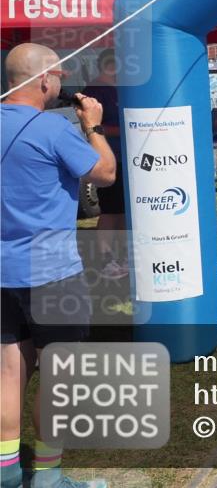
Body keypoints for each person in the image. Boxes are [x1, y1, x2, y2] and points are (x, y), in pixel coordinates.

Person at [2, 43, 116, 488]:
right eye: (61, 75)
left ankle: (8, 472)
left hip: (4, 273)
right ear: (45, 80)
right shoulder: (52, 128)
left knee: (9, 373)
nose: (63, 83)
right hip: (52, 274)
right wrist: (94, 127)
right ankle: (48, 477)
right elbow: (104, 173)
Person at [80, 48, 128, 280]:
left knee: (124, 210)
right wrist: (125, 130)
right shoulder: (94, 92)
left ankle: (122, 256)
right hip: (108, 158)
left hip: (125, 159)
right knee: (110, 211)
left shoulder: (118, 88)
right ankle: (105, 258)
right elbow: (92, 127)